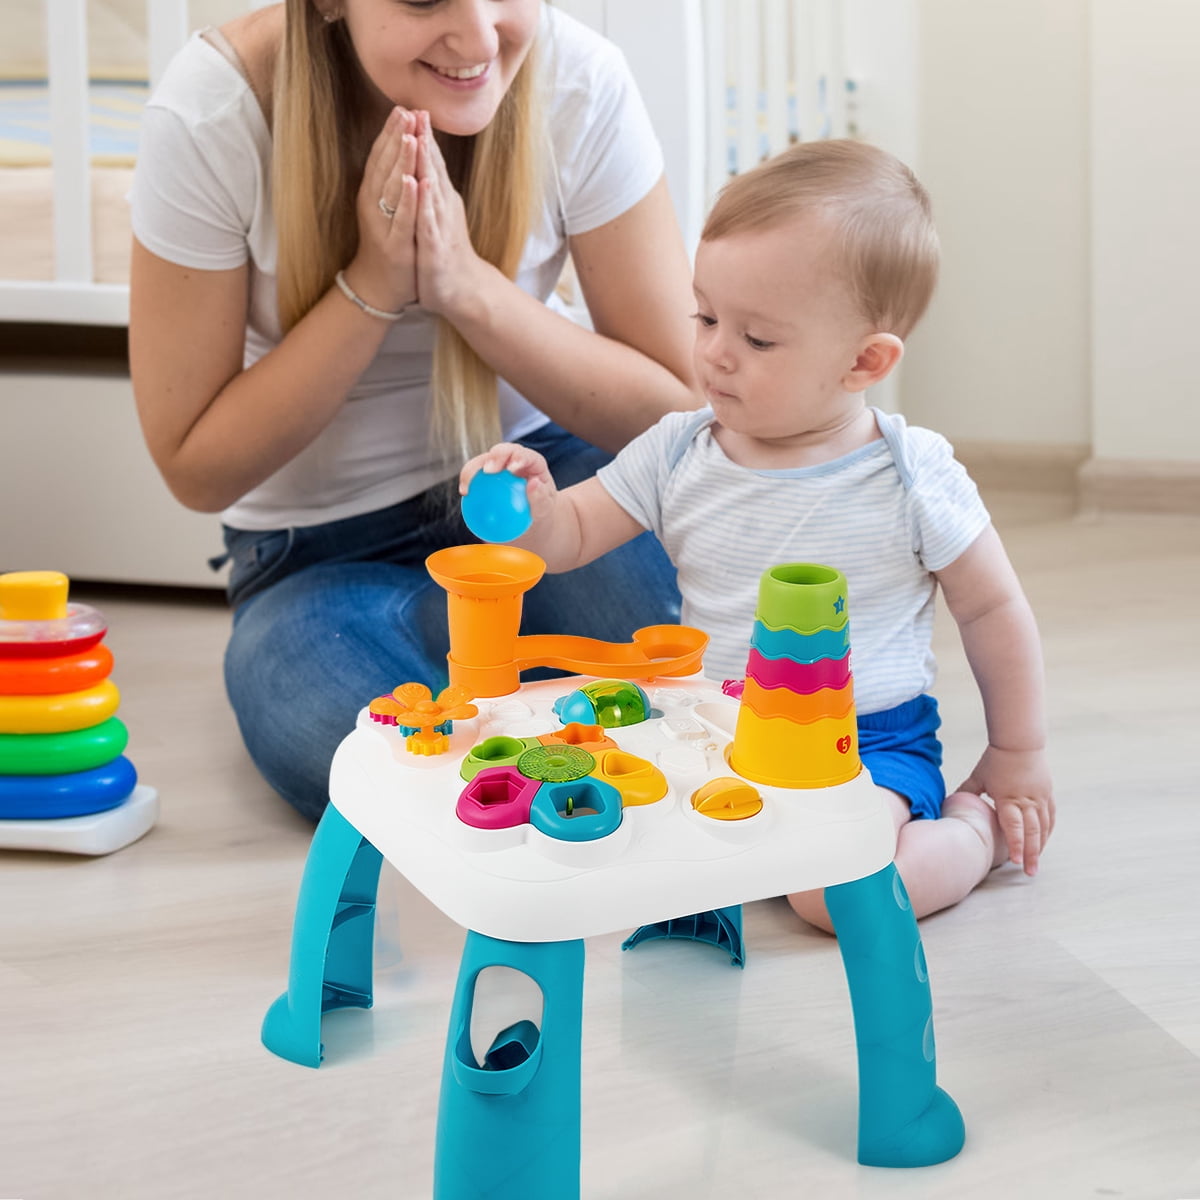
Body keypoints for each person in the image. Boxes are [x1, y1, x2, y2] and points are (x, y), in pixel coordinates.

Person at [461, 138, 1055, 932]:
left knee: (828, 898)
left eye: (757, 339)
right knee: (640, 849)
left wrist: (1018, 754)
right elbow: (570, 537)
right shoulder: (677, 450)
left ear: (863, 361)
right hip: (713, 729)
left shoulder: (912, 473)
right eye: (705, 316)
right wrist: (535, 504)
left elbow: (992, 610)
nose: (714, 353)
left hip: (863, 744)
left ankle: (970, 834)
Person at [127, 0, 698, 821]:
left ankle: (524, 728)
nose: (477, 38)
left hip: (545, 491)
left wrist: (467, 288)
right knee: (345, 742)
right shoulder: (213, 111)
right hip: (314, 556)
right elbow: (194, 466)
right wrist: (373, 287)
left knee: (692, 662)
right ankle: (533, 738)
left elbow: (675, 411)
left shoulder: (579, 78)